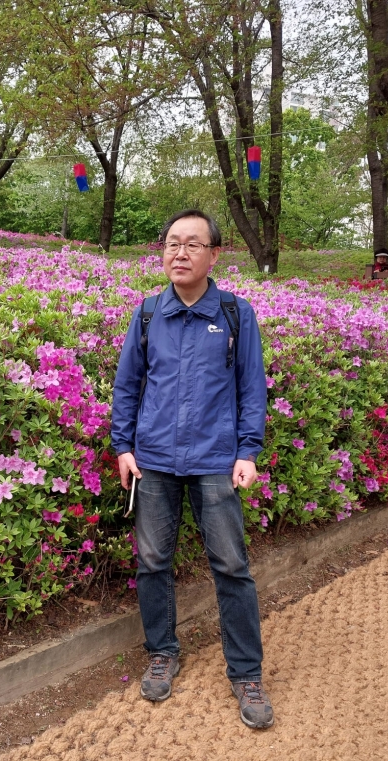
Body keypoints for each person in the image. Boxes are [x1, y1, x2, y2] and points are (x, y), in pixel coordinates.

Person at [111, 209, 273, 729]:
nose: (179, 253)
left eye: (192, 244)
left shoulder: (235, 314)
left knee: (231, 567)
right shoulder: (147, 315)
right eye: (171, 243)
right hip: (154, 461)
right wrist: (123, 447)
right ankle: (162, 653)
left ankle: (246, 674)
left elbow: (251, 388)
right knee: (152, 562)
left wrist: (247, 451)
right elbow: (127, 386)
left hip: (215, 460)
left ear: (213, 254)